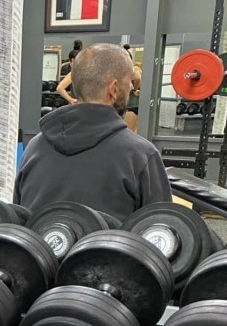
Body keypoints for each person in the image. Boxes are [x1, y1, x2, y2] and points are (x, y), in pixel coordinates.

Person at [14, 43, 172, 222]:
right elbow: (162, 232)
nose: (131, 88)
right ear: (114, 89)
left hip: (41, 249)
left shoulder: (35, 147)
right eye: (129, 81)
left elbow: (20, 223)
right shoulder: (141, 155)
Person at [123, 44, 143, 132]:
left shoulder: (134, 69)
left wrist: (133, 89)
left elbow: (138, 78)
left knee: (128, 132)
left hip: (130, 103)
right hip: (123, 102)